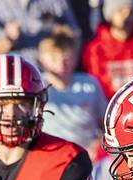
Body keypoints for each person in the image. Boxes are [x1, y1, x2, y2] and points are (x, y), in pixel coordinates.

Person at [38, 25, 108, 158]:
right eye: (53, 59)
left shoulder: (89, 84)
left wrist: (99, 146)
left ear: (75, 57)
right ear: (42, 60)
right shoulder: (38, 86)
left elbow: (105, 124)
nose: (61, 65)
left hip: (87, 156)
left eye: (66, 58)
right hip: (50, 156)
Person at [82, 0, 133, 100]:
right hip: (109, 106)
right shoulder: (95, 49)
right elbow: (94, 86)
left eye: (131, 12)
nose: (127, 17)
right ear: (110, 15)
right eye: (121, 11)